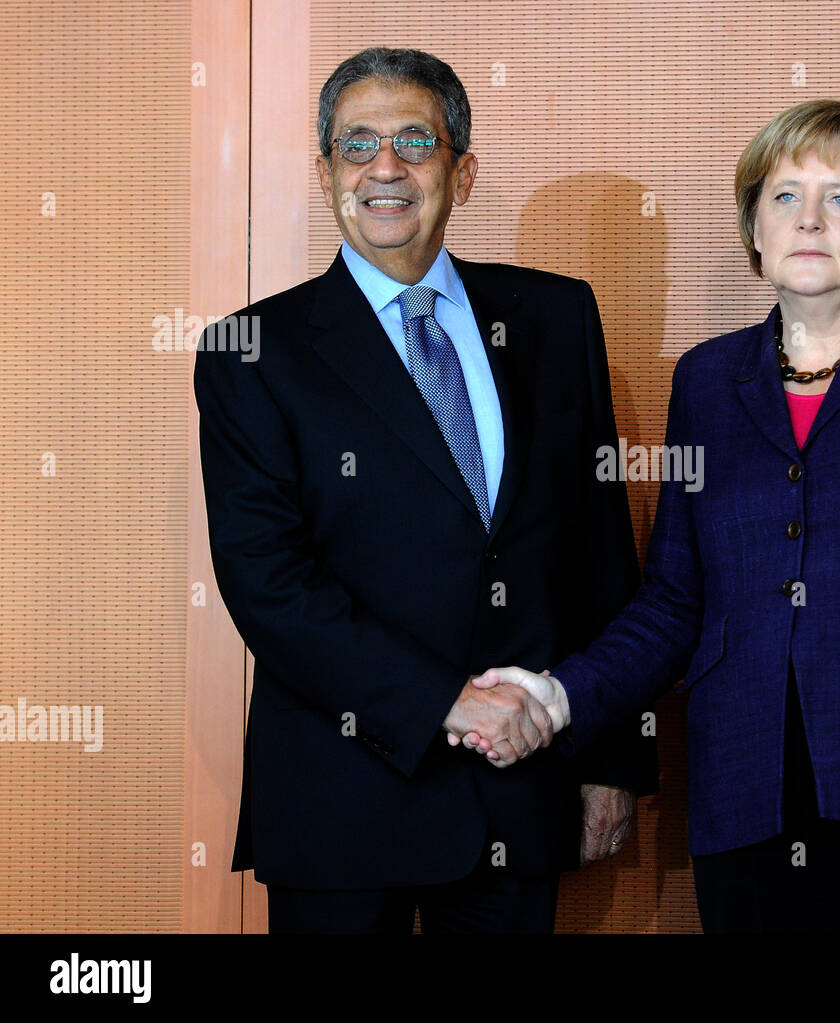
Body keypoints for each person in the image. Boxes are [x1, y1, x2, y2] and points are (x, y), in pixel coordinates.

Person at [458, 99, 840, 932]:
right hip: (751, 793)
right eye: (785, 196)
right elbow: (675, 601)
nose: (810, 220)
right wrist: (556, 693)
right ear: (755, 229)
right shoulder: (708, 381)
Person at [193, 46, 656, 934]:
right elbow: (269, 584)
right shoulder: (252, 351)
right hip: (340, 798)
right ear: (325, 170)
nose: (386, 167)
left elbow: (600, 552)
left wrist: (613, 759)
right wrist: (447, 700)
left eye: (415, 139)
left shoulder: (557, 318)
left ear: (462, 169)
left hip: (521, 793)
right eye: (357, 144)